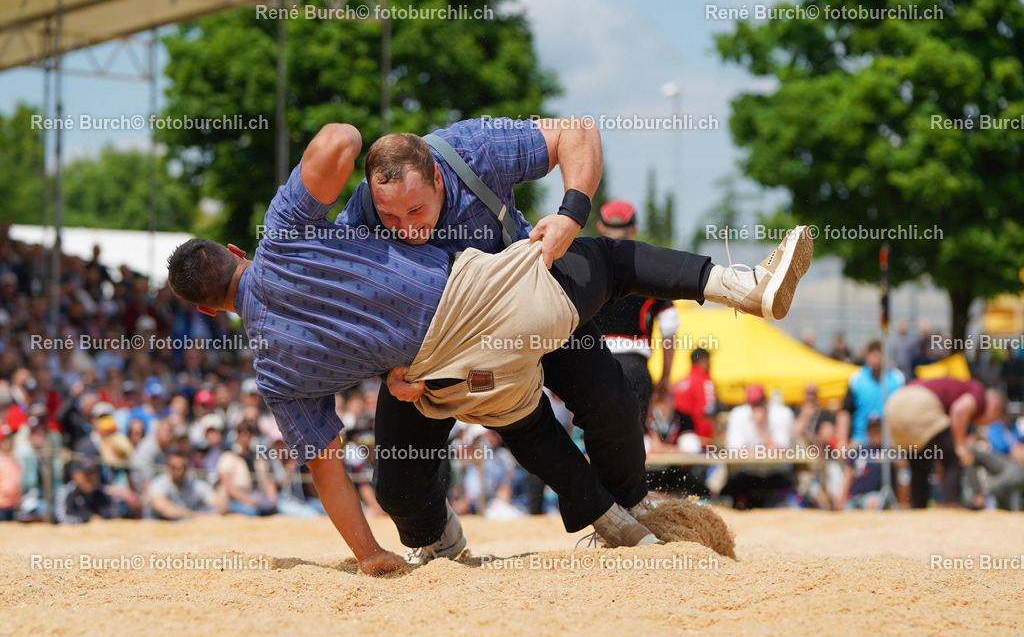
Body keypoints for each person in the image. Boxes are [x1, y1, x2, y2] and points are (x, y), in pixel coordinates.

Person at [166, 122, 814, 575]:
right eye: (389, 221)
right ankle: (743, 286)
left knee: (569, 405)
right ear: (235, 251)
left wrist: (569, 209)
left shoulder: (473, 149)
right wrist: (391, 369)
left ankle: (620, 517)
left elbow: (328, 468)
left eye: (416, 210)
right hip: (467, 329)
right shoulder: (305, 229)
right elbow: (340, 144)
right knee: (607, 271)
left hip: (467, 336)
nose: (405, 229)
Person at [590, 200, 678, 430]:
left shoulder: (586, 267)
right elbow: (670, 327)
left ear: (601, 226)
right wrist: (666, 377)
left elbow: (564, 319)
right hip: (635, 367)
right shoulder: (650, 270)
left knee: (597, 441)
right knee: (633, 443)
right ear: (634, 229)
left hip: (593, 365)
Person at [885, 378, 1003, 508]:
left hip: (893, 405)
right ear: (995, 408)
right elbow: (960, 409)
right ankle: (951, 505)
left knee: (920, 464)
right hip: (918, 403)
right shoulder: (978, 392)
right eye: (991, 421)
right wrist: (960, 446)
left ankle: (918, 506)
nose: (985, 424)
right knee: (954, 457)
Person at [720, 384, 796, 508]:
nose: (757, 407)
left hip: (776, 475)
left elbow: (781, 452)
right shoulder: (738, 414)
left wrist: (761, 428)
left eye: (759, 402)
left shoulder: (782, 414)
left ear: (766, 400)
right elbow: (734, 451)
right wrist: (766, 451)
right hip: (748, 475)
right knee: (726, 494)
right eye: (753, 403)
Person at [837, 340, 905, 448]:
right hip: (861, 440)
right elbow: (845, 412)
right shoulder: (856, 379)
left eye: (879, 351)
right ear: (866, 355)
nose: (876, 355)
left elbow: (904, 412)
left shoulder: (897, 378)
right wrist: (841, 442)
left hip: (891, 441)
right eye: (872, 352)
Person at [147, 450, 228, 520]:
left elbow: (220, 503)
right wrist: (196, 515)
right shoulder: (159, 484)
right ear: (168, 468)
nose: (180, 471)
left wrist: (212, 513)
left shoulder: (194, 485)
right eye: (175, 468)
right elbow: (161, 507)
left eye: (183, 467)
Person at [672, 348, 716, 450]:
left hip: (676, 443)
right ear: (702, 360)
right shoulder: (704, 381)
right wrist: (709, 442)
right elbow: (707, 413)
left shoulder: (680, 382)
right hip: (699, 444)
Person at [55, 459, 117, 524]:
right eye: (86, 474)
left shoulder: (104, 493)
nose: (90, 479)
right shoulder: (66, 492)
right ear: (75, 476)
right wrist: (88, 518)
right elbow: (61, 518)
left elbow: (112, 516)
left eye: (92, 473)